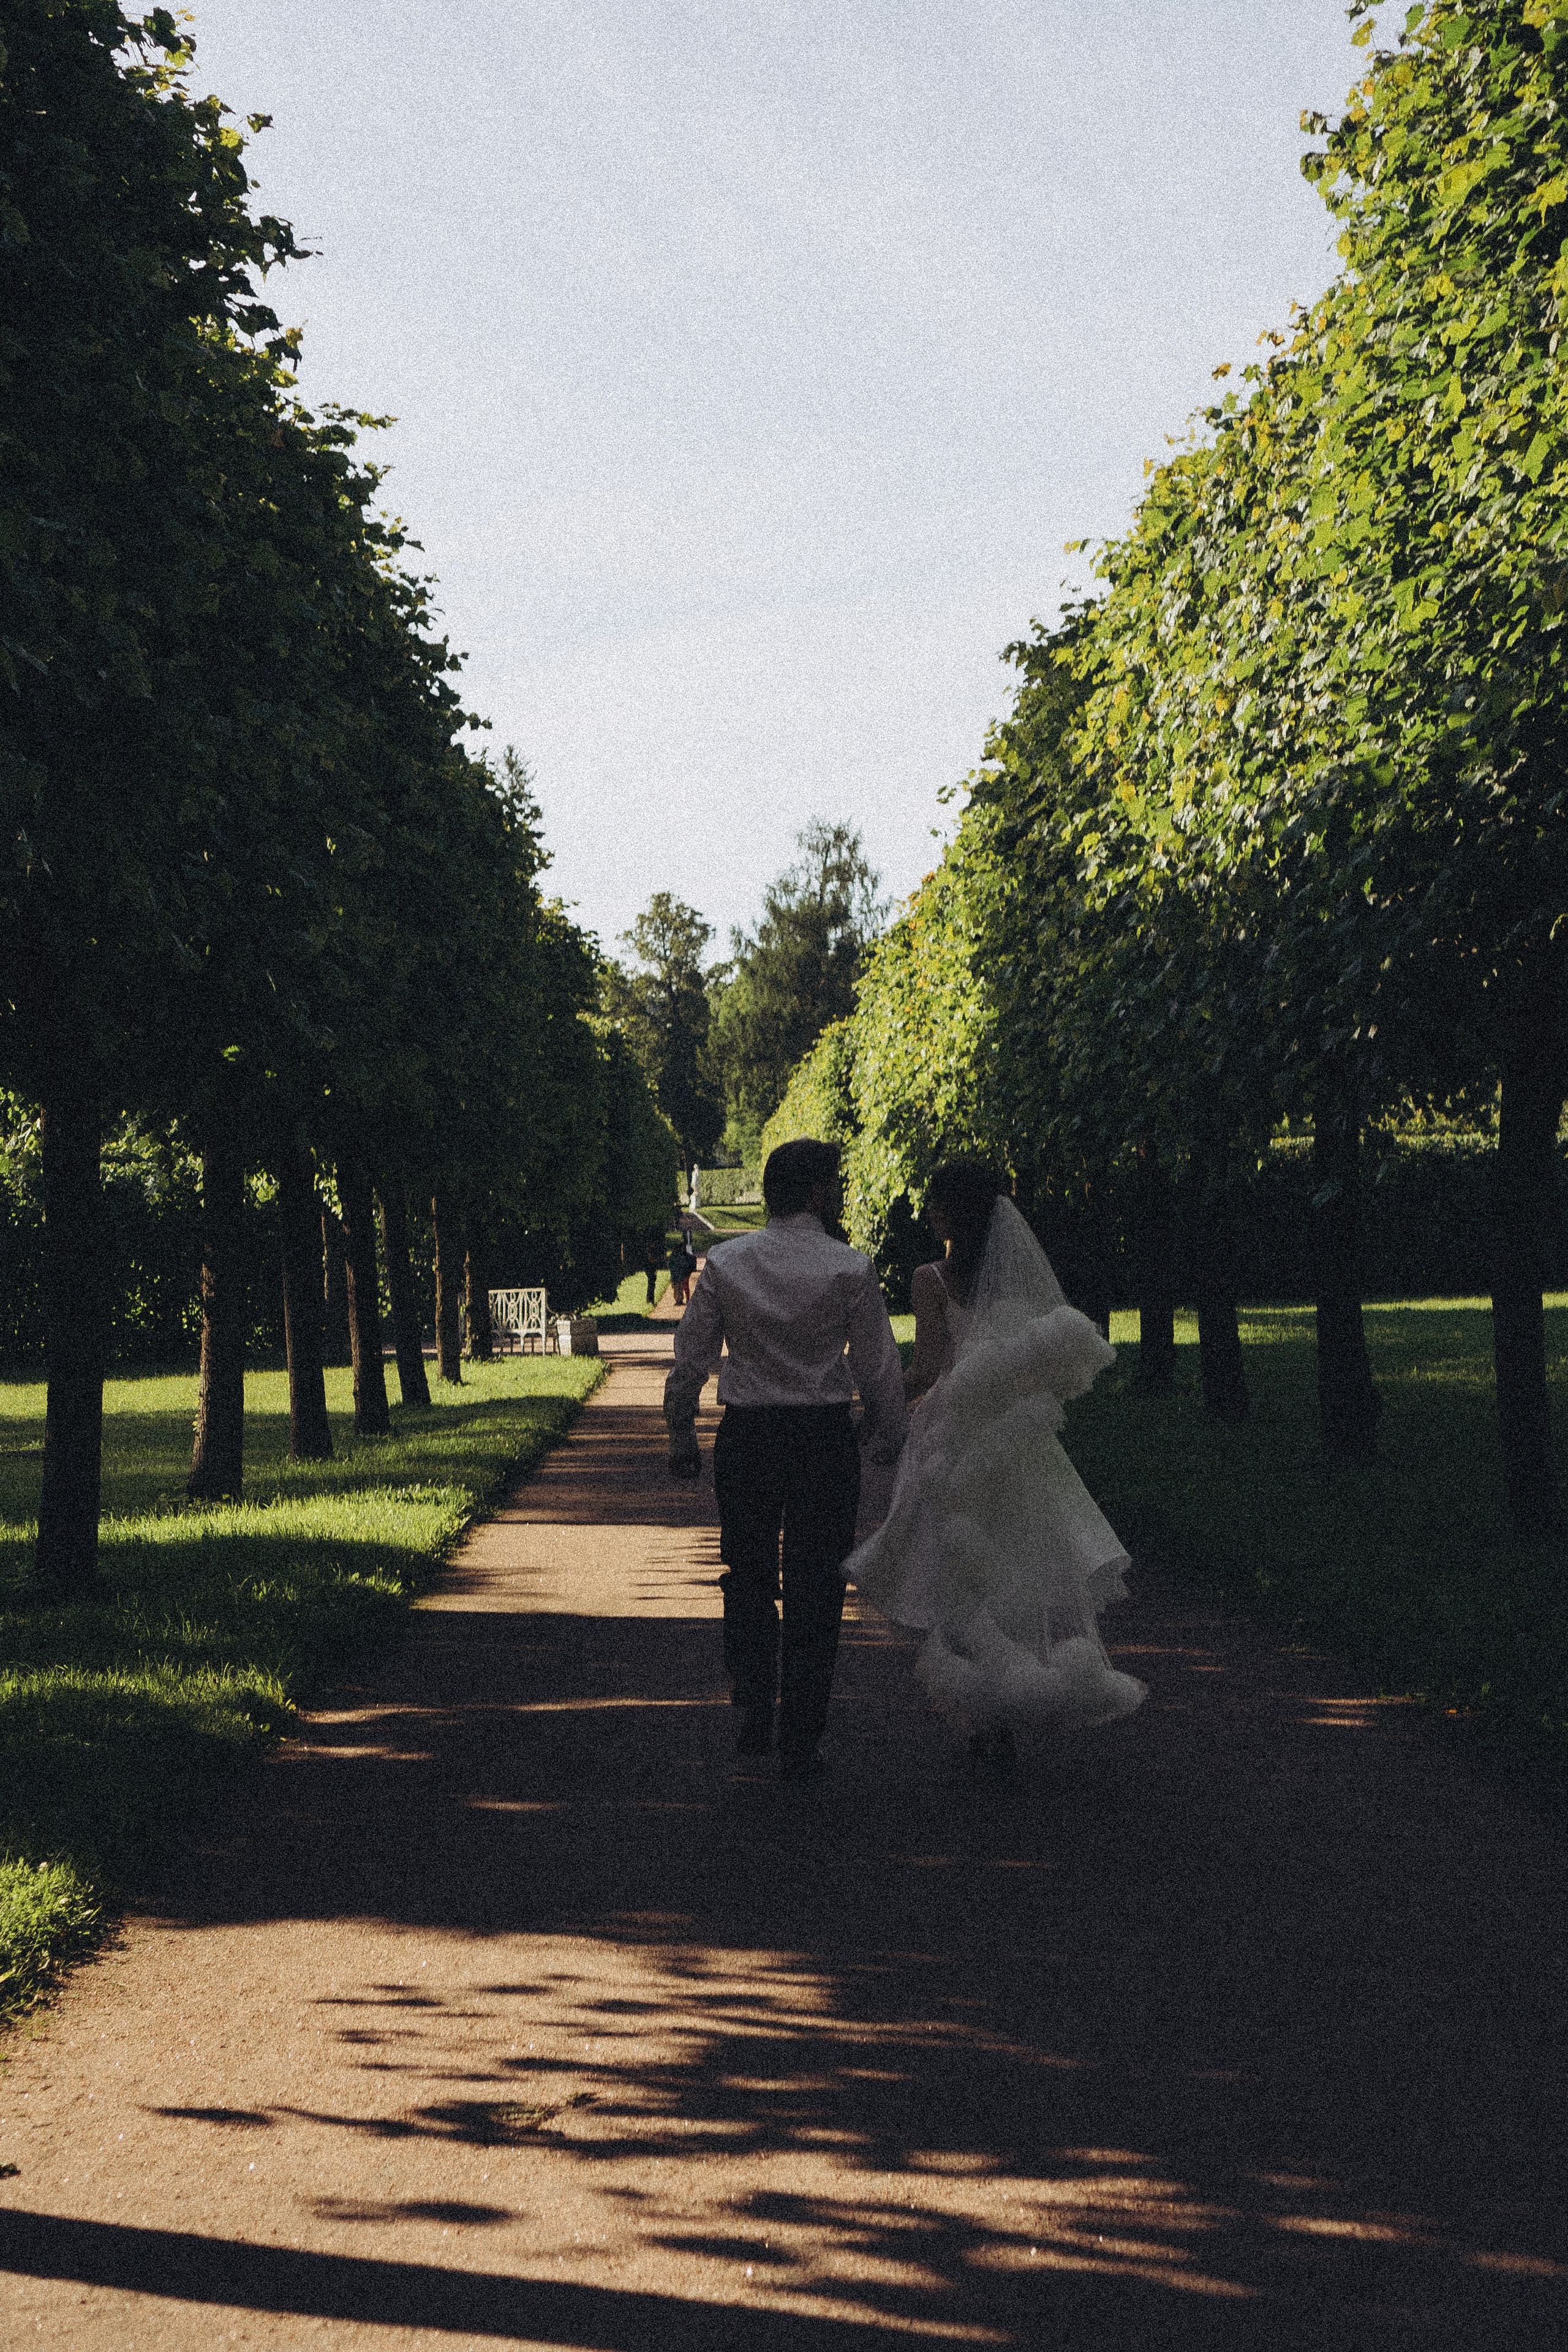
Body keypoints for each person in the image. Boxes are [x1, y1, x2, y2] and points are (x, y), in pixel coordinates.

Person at [848, 1156, 1144, 1770]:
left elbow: (928, 1370)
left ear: (949, 1211)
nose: (927, 1211)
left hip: (953, 1439)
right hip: (1012, 1436)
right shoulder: (1016, 1283)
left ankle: (984, 1704)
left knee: (958, 1567)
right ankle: (1022, 1688)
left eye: (934, 1201)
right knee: (1019, 1557)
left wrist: (872, 1410)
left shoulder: (930, 1279)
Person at [665, 1137, 907, 1780]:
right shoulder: (849, 1267)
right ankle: (802, 1732)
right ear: (817, 1193)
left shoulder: (727, 1264)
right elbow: (878, 1365)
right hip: (822, 1439)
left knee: (746, 1574)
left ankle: (752, 1702)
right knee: (816, 1586)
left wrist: (680, 1432)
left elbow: (691, 1354)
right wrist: (888, 1434)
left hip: (749, 1436)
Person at [668, 1229, 697, 1308]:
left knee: (681, 1286)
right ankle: (682, 1299)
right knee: (681, 1286)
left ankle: (682, 1299)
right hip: (681, 1273)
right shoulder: (679, 1256)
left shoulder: (679, 1256)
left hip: (682, 1272)